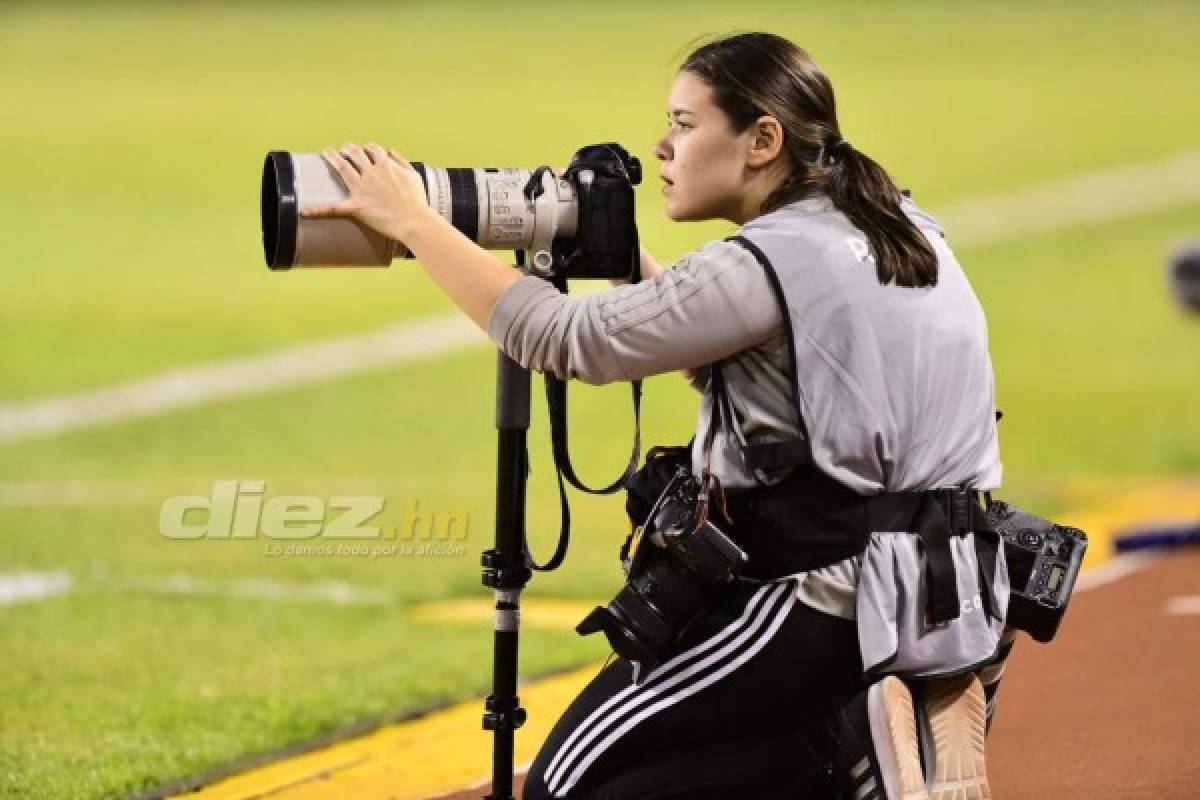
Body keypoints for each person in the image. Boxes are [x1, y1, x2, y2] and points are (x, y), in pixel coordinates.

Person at [303, 31, 1008, 800]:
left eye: (683, 123)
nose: (662, 145)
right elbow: (757, 356)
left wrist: (411, 219)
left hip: (829, 593)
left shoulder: (766, 259)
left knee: (566, 782)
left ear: (762, 139)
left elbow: (560, 338)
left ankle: (847, 751)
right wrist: (625, 259)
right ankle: (840, 750)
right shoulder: (897, 226)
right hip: (954, 583)